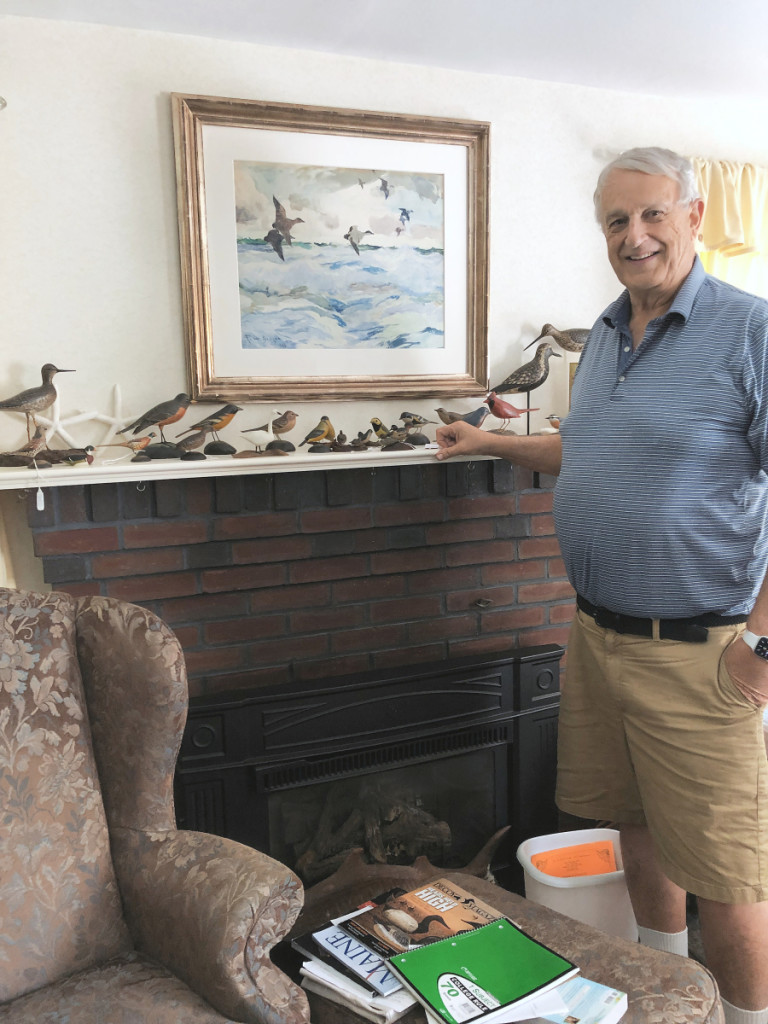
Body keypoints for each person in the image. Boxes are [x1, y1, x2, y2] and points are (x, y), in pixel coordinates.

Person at [435, 147, 768, 1024]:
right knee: (634, 824)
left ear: (696, 217)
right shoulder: (609, 332)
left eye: (654, 214)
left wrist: (762, 651)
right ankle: (671, 994)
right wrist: (489, 444)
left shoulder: (750, 330)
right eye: (617, 221)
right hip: (597, 638)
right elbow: (583, 450)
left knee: (729, 873)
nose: (636, 235)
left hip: (704, 656)